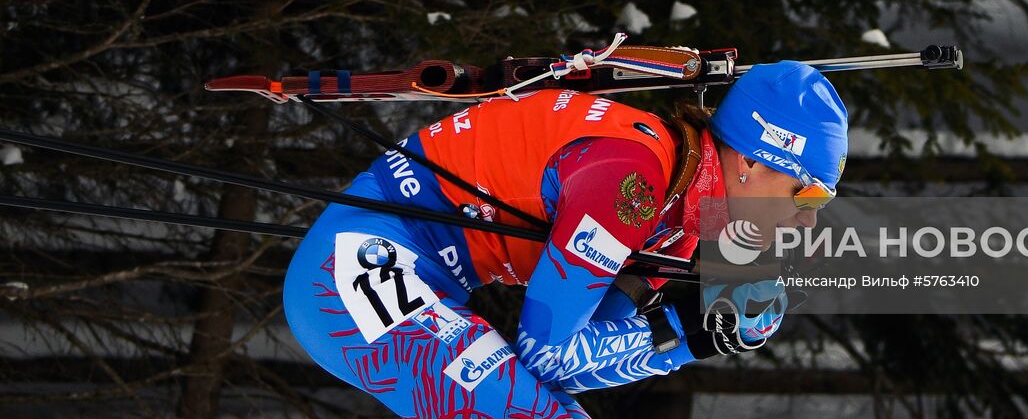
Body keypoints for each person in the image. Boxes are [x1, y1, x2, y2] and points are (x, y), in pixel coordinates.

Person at [282, 59, 848, 418]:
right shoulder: (635, 180)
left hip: (420, 275)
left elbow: (571, 364)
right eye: (808, 195)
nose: (808, 220)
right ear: (752, 160)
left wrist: (692, 338)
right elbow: (548, 352)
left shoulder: (677, 224)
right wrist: (682, 332)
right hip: (355, 268)